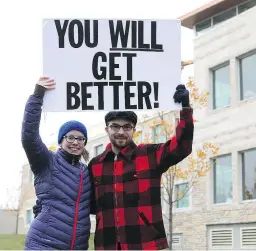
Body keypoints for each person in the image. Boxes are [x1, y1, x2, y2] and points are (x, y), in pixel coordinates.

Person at [34, 84, 193, 250]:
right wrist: (48, 206)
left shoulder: (149, 155)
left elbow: (182, 146)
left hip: (144, 244)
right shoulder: (95, 165)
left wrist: (185, 109)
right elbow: (84, 202)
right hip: (107, 244)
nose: (121, 132)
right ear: (107, 129)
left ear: (133, 130)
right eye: (115, 126)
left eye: (127, 127)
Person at [23, 76, 92, 250]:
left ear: (84, 142)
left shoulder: (86, 172)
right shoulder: (47, 161)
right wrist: (37, 96)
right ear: (61, 140)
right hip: (43, 244)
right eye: (70, 137)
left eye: (80, 138)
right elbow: (29, 137)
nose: (75, 142)